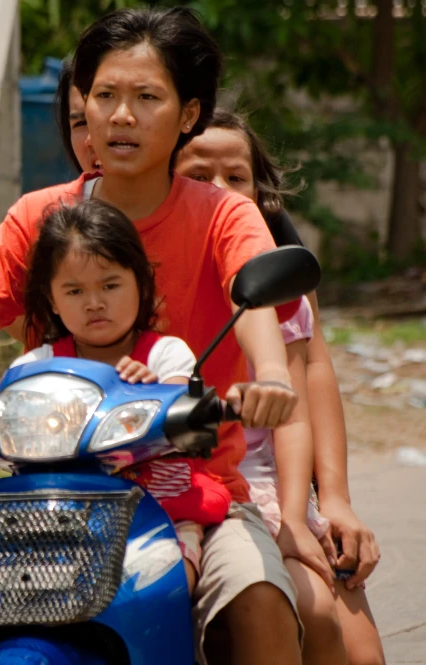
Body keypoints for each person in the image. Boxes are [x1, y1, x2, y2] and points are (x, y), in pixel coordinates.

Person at [0, 8, 306, 664]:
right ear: (83, 106)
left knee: (256, 596)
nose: (121, 115)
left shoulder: (224, 215)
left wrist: (268, 377)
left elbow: (258, 307)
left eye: (146, 97)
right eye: (104, 96)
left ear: (188, 115)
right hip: (52, 483)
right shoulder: (40, 216)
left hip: (189, 483)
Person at [0, 199, 232, 594]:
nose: (94, 302)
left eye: (110, 285)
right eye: (74, 290)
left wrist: (157, 391)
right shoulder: (37, 364)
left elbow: (183, 399)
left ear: (141, 282)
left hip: (158, 511)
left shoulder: (166, 353)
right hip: (49, 514)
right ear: (52, 299)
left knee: (171, 581)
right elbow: (8, 414)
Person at [175, 108, 386, 665]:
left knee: (350, 641)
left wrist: (328, 501)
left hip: (269, 487)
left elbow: (307, 384)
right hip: (179, 481)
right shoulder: (131, 271)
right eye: (199, 178)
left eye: (235, 178)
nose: (219, 192)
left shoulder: (276, 278)